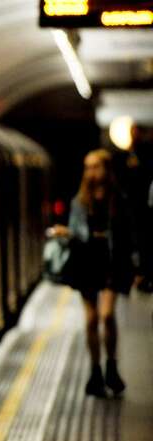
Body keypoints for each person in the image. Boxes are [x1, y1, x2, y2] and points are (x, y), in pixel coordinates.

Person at [49, 149, 135, 397]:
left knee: (107, 315)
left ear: (106, 169)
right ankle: (95, 370)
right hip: (86, 262)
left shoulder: (118, 199)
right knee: (90, 319)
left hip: (112, 263)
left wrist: (136, 264)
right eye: (88, 167)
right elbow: (77, 231)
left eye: (96, 166)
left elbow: (130, 234)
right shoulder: (80, 202)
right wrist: (67, 234)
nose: (91, 172)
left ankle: (112, 366)